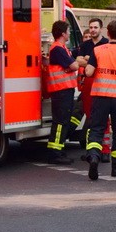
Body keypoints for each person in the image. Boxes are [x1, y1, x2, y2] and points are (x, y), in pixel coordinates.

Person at [84, 20, 116, 180]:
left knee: (97, 128)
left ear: (107, 33)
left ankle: (94, 157)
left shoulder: (97, 50)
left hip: (100, 96)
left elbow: (88, 72)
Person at [74, 17, 111, 162]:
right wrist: (93, 61)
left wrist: (89, 60)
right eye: (91, 27)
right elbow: (78, 60)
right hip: (88, 82)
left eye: (95, 27)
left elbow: (105, 63)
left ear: (101, 29)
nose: (93, 30)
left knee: (104, 117)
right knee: (90, 118)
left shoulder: (107, 44)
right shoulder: (85, 44)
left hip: (102, 82)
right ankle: (92, 150)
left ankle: (106, 150)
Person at [44, 20, 80, 164]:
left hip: (64, 90)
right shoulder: (57, 49)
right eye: (68, 31)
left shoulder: (61, 48)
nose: (70, 33)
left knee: (63, 121)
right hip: (61, 91)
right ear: (63, 33)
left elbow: (72, 65)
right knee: (60, 122)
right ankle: (55, 153)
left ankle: (58, 150)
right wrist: (76, 64)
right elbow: (74, 65)